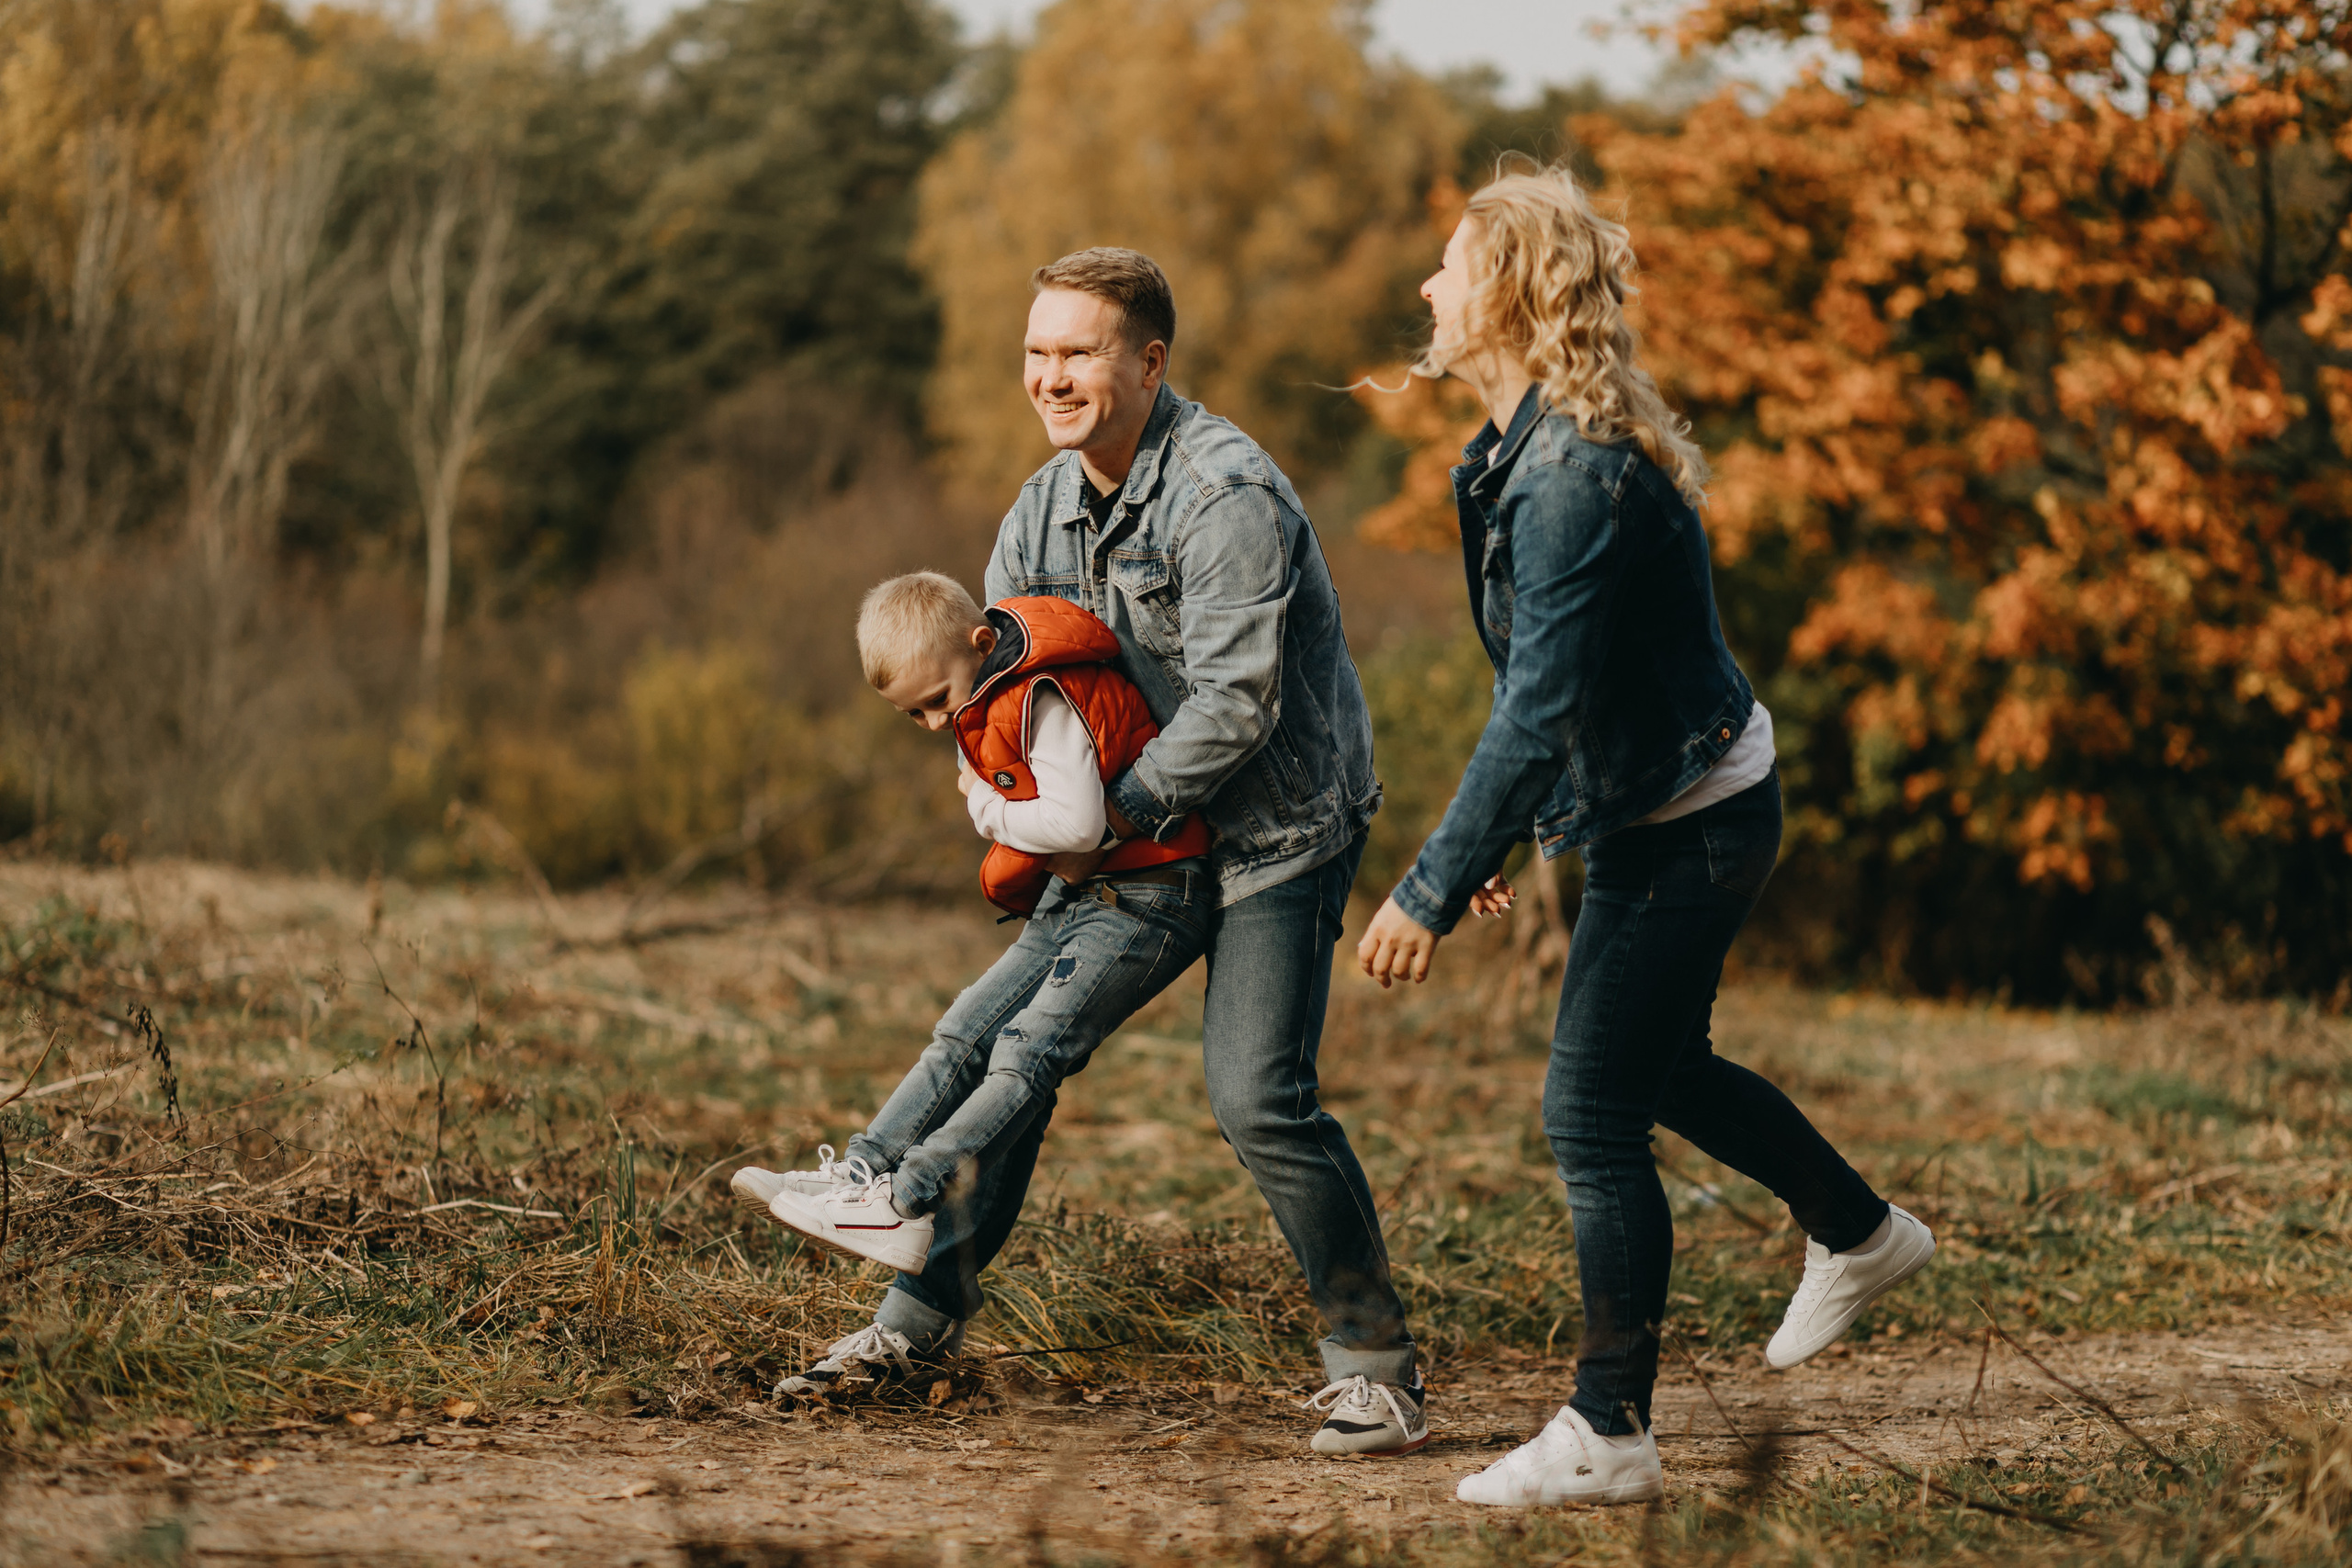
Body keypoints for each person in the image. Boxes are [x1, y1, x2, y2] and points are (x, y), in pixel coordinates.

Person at [1353, 168, 1936, 1507]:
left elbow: (1538, 702)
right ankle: (1857, 1228)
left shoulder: (1571, 475)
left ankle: (1609, 1427)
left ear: (1504, 291)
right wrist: (1510, 832)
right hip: (1660, 802)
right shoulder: (1513, 452)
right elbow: (1549, 690)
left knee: (1591, 1107)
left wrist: (1432, 887)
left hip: (1697, 820)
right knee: (1661, 1067)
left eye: (1449, 268)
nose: (1430, 292)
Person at [980, 245, 1425, 1456]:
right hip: (1137, 836)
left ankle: (1375, 1366)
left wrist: (1099, 816)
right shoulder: (1038, 510)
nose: (1051, 375)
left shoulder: (1224, 488)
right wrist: (1020, 814)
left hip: (1278, 828)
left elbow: (1234, 706)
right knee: (1014, 1049)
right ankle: (913, 1322)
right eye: (1037, 351)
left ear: (1149, 360)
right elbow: (1003, 705)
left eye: (1076, 351)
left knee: (1257, 1096)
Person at [732, 570, 1214, 1396]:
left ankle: (907, 1198)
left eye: (934, 700)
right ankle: (861, 1172)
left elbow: (1075, 823)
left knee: (1027, 1050)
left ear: (981, 644)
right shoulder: (984, 693)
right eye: (912, 714)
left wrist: (986, 812)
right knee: (964, 1027)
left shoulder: (1042, 696)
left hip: (1150, 894)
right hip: (1080, 894)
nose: (933, 723)